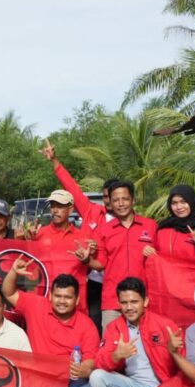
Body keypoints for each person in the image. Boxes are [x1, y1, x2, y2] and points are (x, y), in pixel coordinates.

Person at [2, 258, 100, 387]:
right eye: (58, 296)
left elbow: (91, 360)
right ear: (50, 296)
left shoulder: (87, 325)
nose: (62, 301)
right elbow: (8, 293)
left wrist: (85, 369)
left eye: (68, 297)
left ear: (77, 300)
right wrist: (13, 273)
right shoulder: (36, 305)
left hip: (70, 383)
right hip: (39, 378)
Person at [90, 277, 177, 387]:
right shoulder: (114, 327)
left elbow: (181, 369)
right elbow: (99, 361)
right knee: (97, 376)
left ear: (145, 301)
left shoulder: (164, 325)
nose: (129, 307)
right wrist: (117, 355)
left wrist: (175, 353)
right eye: (124, 303)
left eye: (134, 302)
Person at [42, 139, 118, 327]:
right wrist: (55, 161)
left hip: (115, 282)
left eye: (115, 197)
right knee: (91, 323)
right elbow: (72, 189)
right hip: (90, 280)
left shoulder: (129, 224)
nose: (110, 201)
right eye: (107, 196)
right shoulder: (91, 211)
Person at [96, 179, 158, 330]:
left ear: (133, 200)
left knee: (146, 346)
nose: (121, 203)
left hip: (144, 300)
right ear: (110, 203)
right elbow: (100, 264)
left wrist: (156, 255)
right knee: (112, 348)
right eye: (116, 200)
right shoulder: (103, 229)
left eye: (125, 199)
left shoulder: (150, 226)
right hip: (113, 301)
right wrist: (86, 259)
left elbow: (163, 260)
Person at [144, 185, 195, 261]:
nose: (179, 207)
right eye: (174, 203)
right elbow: (156, 256)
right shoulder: (163, 228)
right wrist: (149, 250)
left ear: (192, 202)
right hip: (167, 273)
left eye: (183, 202)